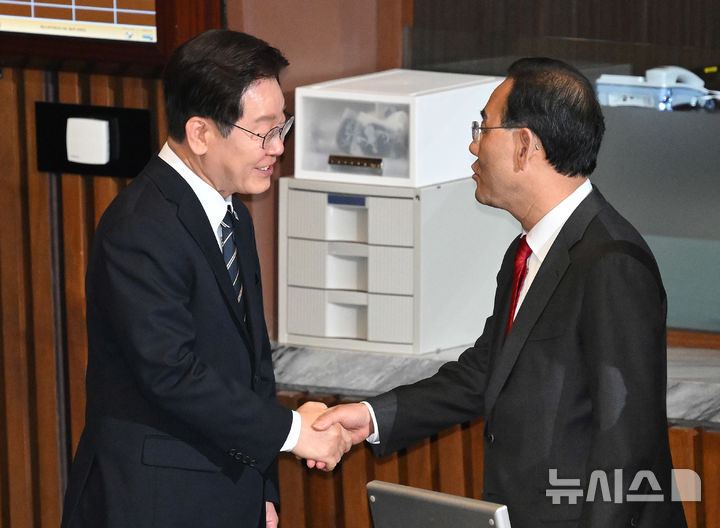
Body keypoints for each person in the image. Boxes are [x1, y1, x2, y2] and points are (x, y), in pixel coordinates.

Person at [313, 58, 688, 528]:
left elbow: (626, 444)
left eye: (483, 128)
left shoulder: (612, 261)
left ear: (524, 145)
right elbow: (486, 371)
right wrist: (371, 416)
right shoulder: (527, 251)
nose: (473, 145)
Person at [60, 29, 351, 528]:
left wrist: (262, 490)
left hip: (228, 493)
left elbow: (253, 367)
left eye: (283, 126)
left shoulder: (231, 213)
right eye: (263, 132)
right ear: (200, 133)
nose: (278, 147)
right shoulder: (140, 227)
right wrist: (293, 432)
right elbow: (172, 373)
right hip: (154, 504)